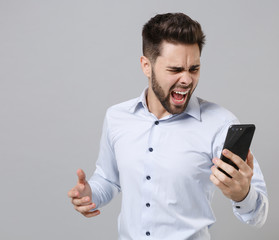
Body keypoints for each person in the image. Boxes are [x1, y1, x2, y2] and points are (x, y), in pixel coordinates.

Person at [68, 12, 268, 240]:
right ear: (146, 65)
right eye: (175, 70)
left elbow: (258, 215)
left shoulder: (220, 124)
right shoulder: (117, 117)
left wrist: (243, 195)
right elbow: (108, 179)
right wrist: (90, 194)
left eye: (194, 69)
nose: (186, 80)